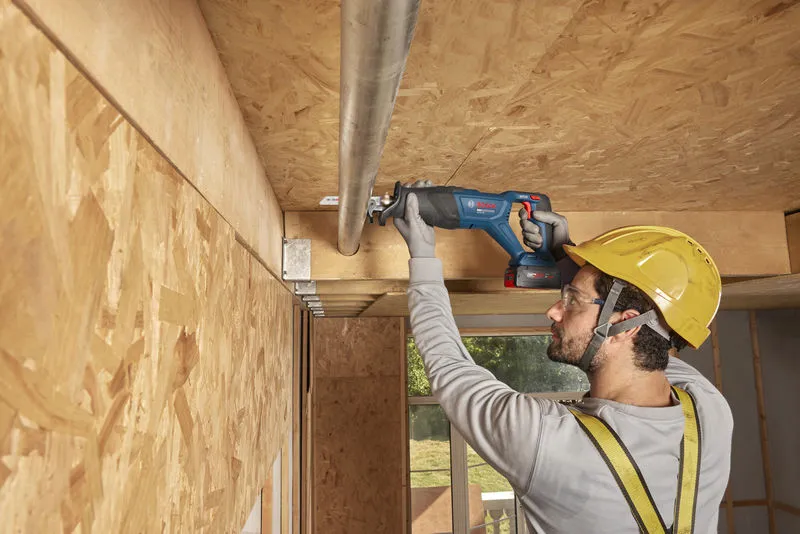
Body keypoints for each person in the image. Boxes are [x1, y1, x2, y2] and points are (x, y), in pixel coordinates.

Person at [395, 181, 733, 534]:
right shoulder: (706, 409)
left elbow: (451, 369)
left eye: (571, 300)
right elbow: (654, 340)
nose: (554, 310)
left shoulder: (548, 444)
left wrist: (422, 260)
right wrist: (571, 266)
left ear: (626, 325)